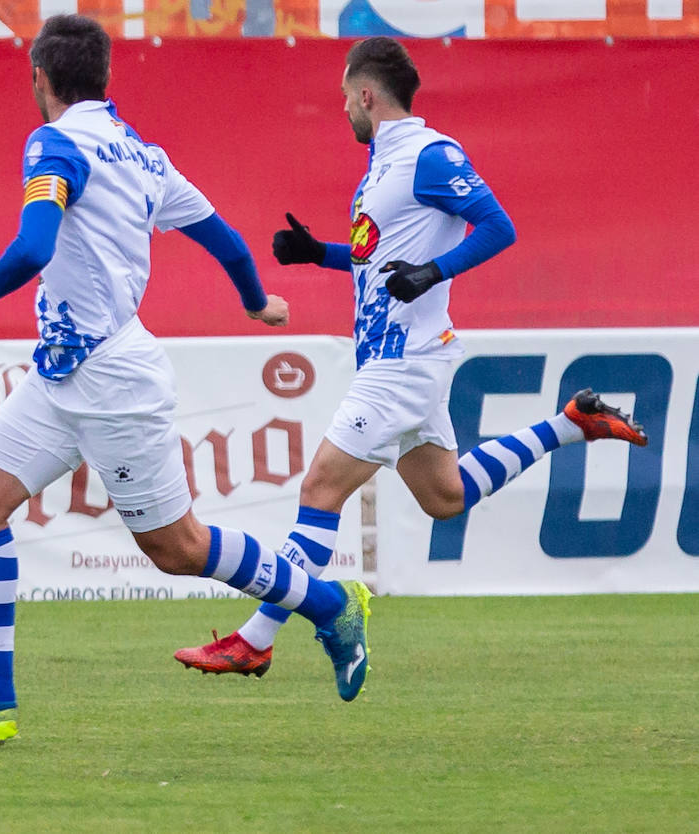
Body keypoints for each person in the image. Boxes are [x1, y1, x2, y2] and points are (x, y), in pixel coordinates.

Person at [0, 14, 374, 744]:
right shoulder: (145, 156)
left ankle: (327, 603)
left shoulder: (53, 142)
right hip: (62, 374)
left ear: (40, 79)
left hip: (113, 378)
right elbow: (226, 238)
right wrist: (256, 302)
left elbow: (33, 245)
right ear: (105, 77)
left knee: (178, 549)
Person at [174, 37, 646, 677]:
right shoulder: (383, 165)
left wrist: (433, 273)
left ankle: (256, 639)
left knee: (319, 489)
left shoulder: (428, 153)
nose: (343, 108)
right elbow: (378, 258)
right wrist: (320, 254)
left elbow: (498, 225)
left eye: (345, 96)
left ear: (366, 94)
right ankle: (570, 424)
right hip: (399, 359)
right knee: (443, 495)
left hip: (405, 359)